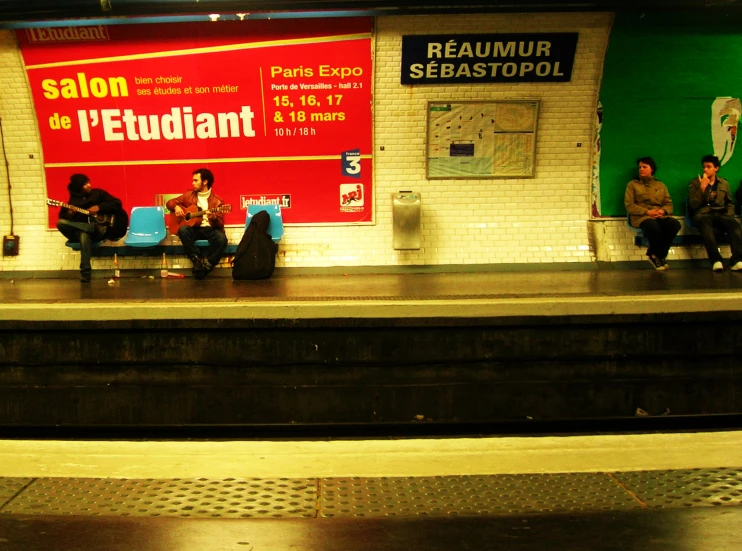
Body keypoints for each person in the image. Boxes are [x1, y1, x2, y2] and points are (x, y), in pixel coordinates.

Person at [56, 174, 124, 283]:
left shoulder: (98, 194)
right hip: (82, 230)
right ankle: (86, 273)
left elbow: (117, 203)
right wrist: (70, 213)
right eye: (85, 184)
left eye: (88, 182)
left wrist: (99, 207)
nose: (89, 185)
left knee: (84, 235)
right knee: (61, 223)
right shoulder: (73, 202)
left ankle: (85, 273)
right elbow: (65, 219)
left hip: (99, 231)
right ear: (78, 187)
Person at [166, 168, 228, 279]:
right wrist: (176, 207)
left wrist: (213, 217)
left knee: (222, 239)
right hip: (194, 228)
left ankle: (208, 266)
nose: (192, 183)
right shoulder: (188, 195)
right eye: (193, 180)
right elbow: (169, 203)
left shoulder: (218, 201)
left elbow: (220, 224)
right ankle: (195, 259)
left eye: (196, 180)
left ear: (205, 182)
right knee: (183, 230)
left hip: (210, 229)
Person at [624, 157, 681, 271]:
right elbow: (629, 205)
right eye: (640, 167)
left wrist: (662, 211)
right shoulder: (632, 185)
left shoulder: (660, 185)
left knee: (674, 224)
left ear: (652, 169)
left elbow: (668, 204)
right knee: (653, 227)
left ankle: (657, 255)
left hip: (659, 215)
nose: (641, 169)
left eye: (645, 167)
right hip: (642, 217)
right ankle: (656, 256)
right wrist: (647, 212)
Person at [688, 154, 742, 272]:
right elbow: (693, 204)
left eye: (708, 167)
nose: (705, 169)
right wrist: (702, 189)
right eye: (704, 167)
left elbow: (730, 203)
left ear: (716, 168)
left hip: (720, 214)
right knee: (706, 226)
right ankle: (716, 260)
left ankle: (736, 260)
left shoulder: (723, 183)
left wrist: (730, 215)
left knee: (734, 224)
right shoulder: (695, 183)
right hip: (702, 214)